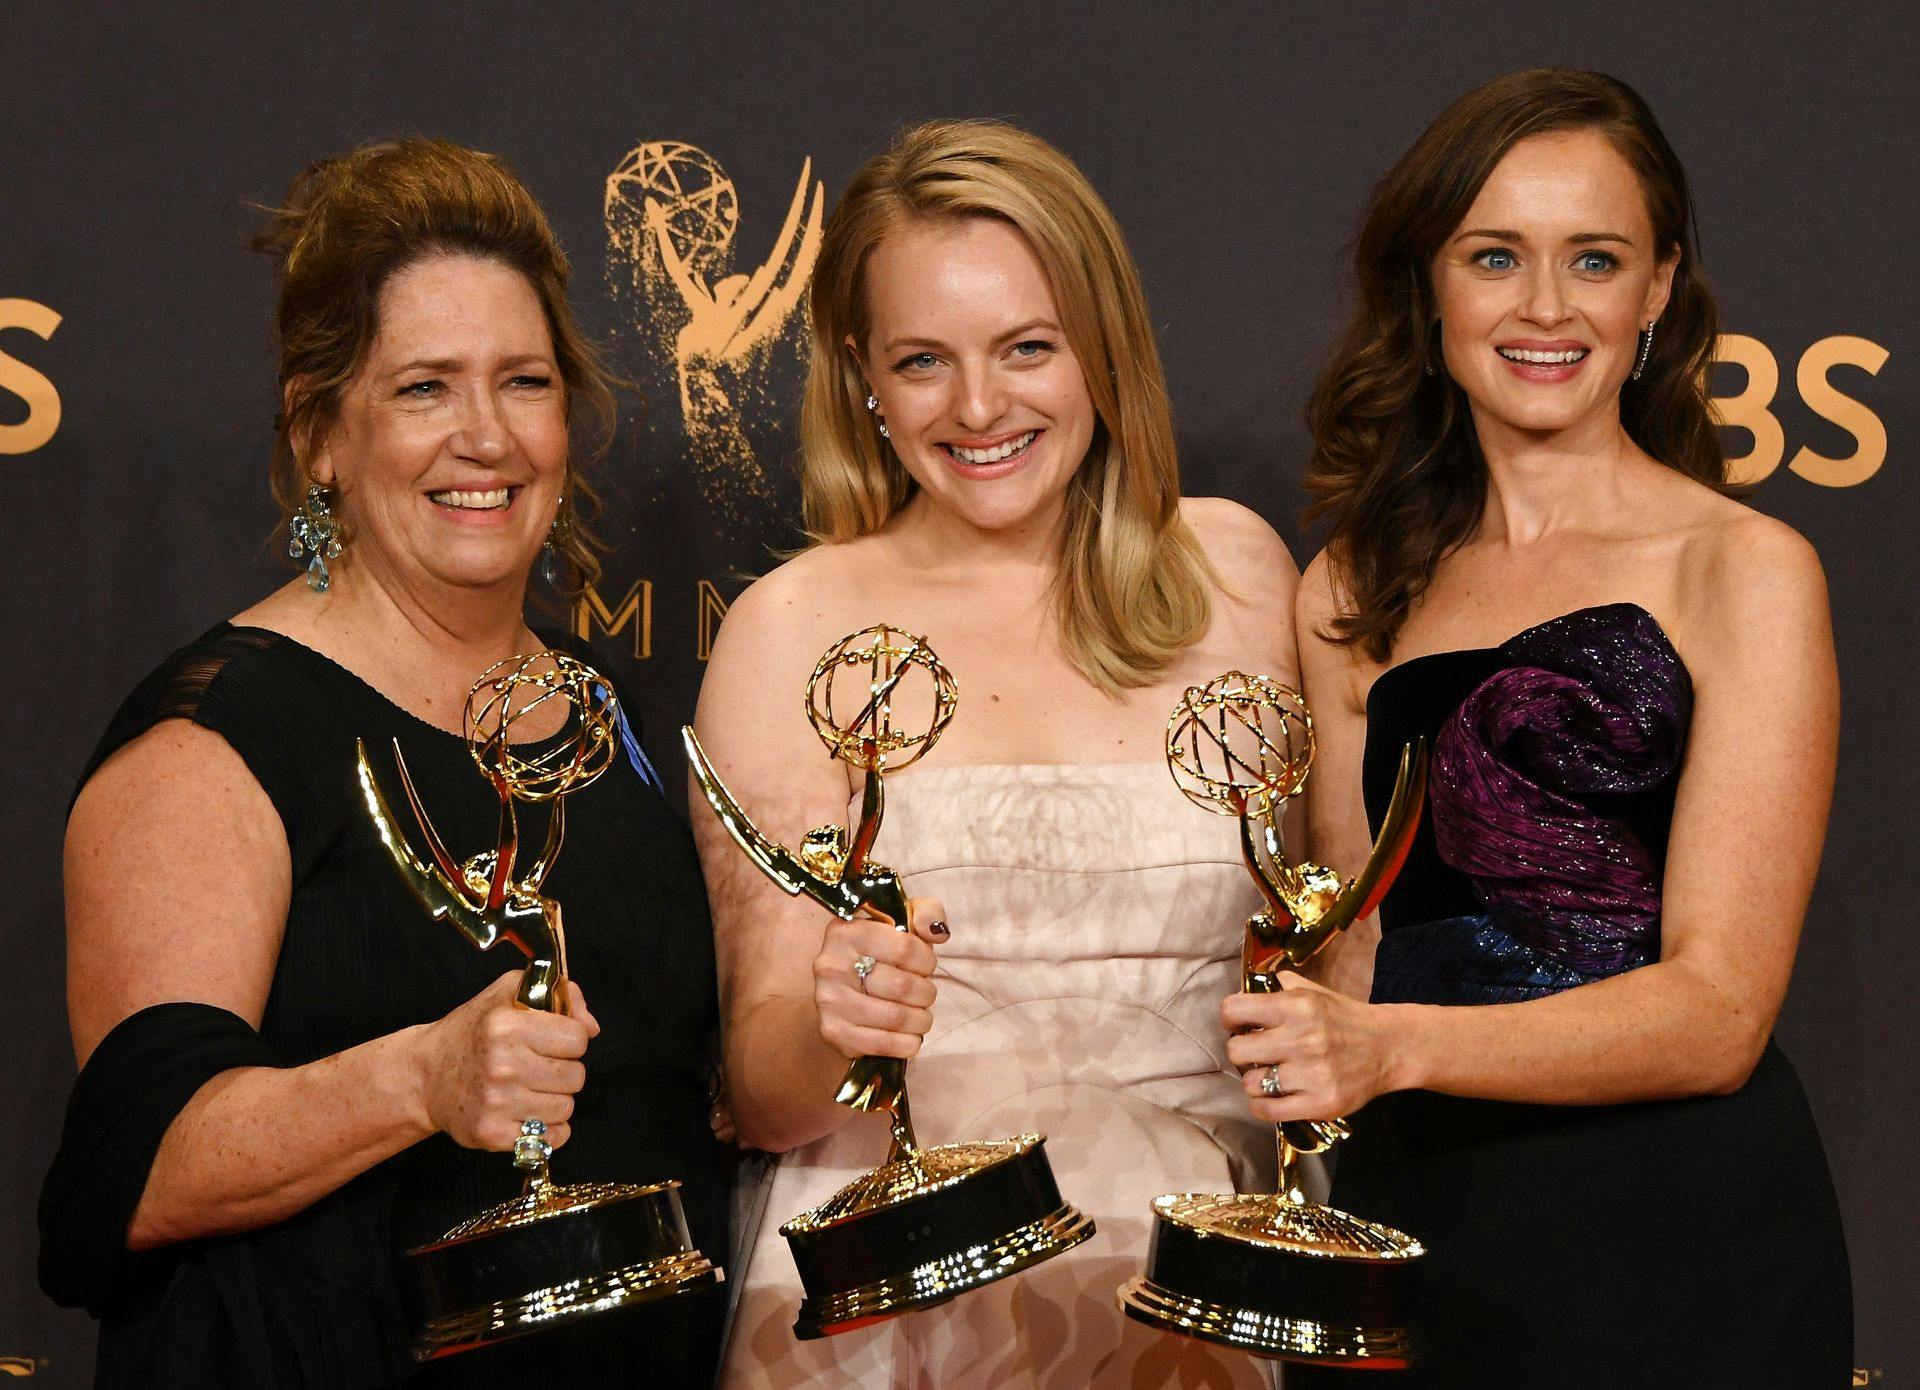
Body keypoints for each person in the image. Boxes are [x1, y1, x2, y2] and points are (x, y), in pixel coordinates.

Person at [38, 139, 728, 1388]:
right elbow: (127, 1177)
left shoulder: (609, 709)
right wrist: (417, 1076)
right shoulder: (213, 738)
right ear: (320, 436)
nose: (485, 436)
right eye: (423, 388)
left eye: (523, 381)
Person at [1240, 69, 1851, 1387]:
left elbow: (1718, 1010)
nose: (1546, 307)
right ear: (1431, 284)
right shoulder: (1349, 587)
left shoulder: (1744, 570)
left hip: (1686, 1242)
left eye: (1596, 259)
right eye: (1496, 256)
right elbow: (1357, 947)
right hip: (1414, 1230)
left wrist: (1393, 1045)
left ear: (1658, 290)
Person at [692, 119, 1295, 1387]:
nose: (979, 408)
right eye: (923, 360)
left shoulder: (1237, 574)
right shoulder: (789, 628)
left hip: (1191, 1285)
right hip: (901, 1305)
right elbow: (764, 1091)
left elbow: (1329, 939)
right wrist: (830, 1022)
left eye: (1028, 347)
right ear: (860, 370)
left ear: (1104, 346)